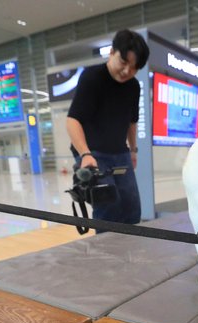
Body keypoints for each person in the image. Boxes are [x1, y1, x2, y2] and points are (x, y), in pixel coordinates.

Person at [66, 29, 149, 229]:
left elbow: (131, 121)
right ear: (112, 52)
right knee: (108, 211)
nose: (127, 71)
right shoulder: (92, 77)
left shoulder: (133, 86)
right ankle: (108, 259)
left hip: (120, 154)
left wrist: (133, 150)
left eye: (134, 67)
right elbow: (73, 120)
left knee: (131, 209)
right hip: (93, 154)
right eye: (123, 62)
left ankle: (130, 254)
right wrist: (85, 154)